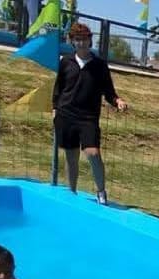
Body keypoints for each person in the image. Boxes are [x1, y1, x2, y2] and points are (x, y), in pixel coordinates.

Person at [53, 22, 128, 206]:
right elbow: (58, 89)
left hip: (88, 117)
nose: (81, 43)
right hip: (66, 114)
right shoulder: (66, 62)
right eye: (77, 39)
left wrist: (117, 101)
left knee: (93, 153)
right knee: (71, 157)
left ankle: (101, 192)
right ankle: (71, 193)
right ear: (72, 42)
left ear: (90, 41)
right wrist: (55, 110)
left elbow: (108, 91)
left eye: (84, 39)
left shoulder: (99, 66)